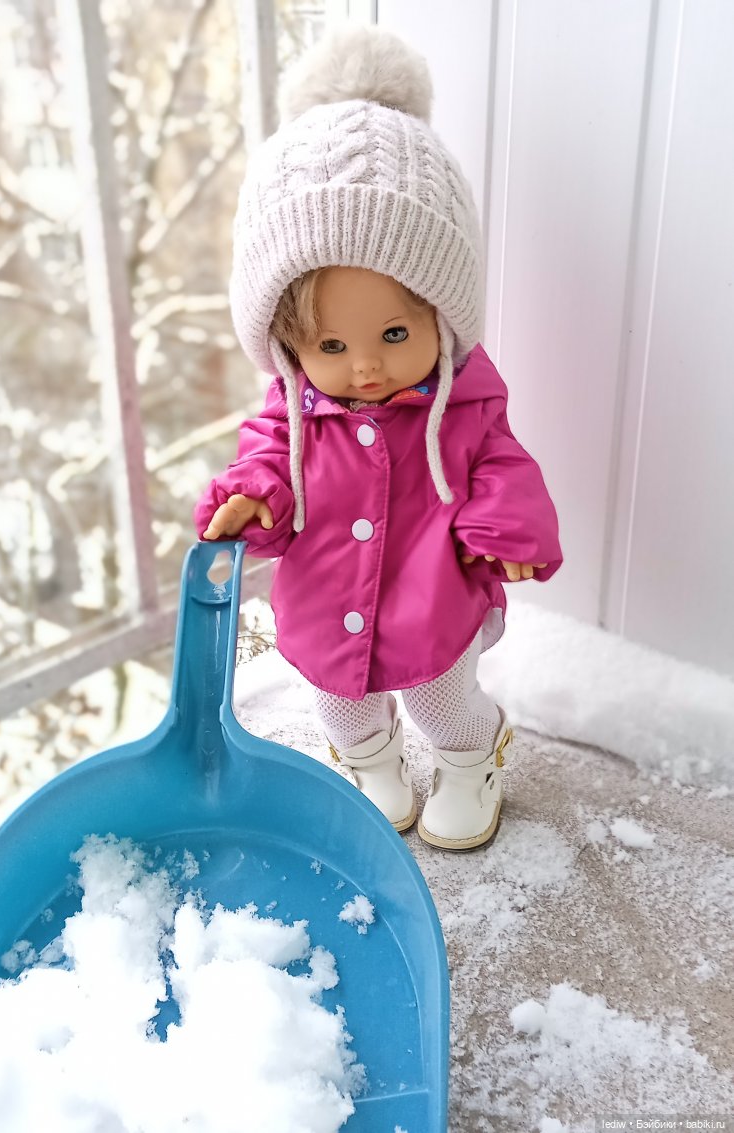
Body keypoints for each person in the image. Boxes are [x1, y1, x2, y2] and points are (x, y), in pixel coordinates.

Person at [195, 25, 562, 850]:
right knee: (341, 703)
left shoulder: (462, 401)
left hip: (433, 598)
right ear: (289, 346)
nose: (364, 366)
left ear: (442, 315)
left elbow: (501, 463)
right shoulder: (291, 409)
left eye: (394, 334)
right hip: (328, 603)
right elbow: (265, 458)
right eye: (331, 345)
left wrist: (506, 528)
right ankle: (371, 763)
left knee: (444, 699)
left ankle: (473, 757)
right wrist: (254, 494)